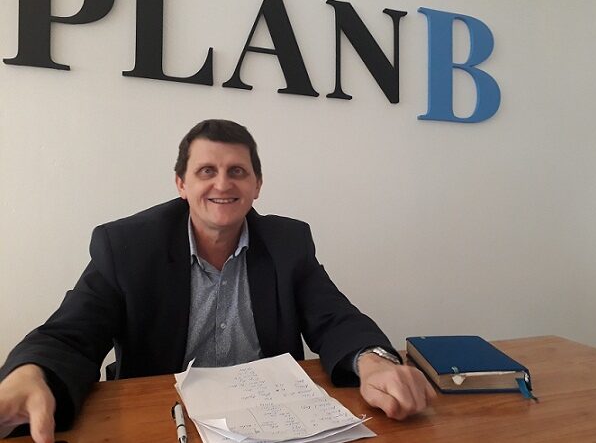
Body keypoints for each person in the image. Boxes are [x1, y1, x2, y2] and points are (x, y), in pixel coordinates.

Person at [0, 119, 435, 442]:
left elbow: (335, 317)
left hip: (273, 422)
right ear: (181, 184)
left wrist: (374, 360)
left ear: (257, 185)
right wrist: (30, 372)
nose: (222, 184)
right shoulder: (128, 246)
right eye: (206, 171)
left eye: (237, 171)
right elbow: (72, 331)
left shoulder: (287, 242)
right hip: (165, 418)